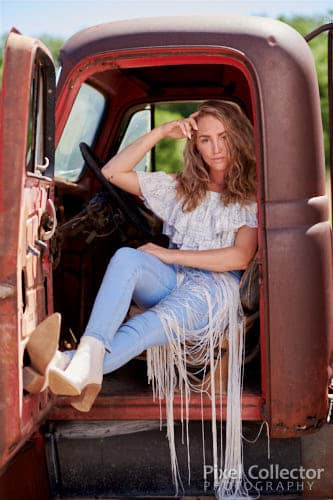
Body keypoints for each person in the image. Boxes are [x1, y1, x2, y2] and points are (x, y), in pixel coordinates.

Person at [27, 100, 258, 498]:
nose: (216, 148)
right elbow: (114, 172)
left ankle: (65, 367)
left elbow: (238, 257)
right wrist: (161, 132)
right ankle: (84, 365)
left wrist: (169, 254)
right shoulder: (179, 189)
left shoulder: (251, 194)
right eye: (205, 139)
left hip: (215, 291)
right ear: (195, 145)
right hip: (175, 280)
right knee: (127, 258)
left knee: (147, 324)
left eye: (223, 138)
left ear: (238, 138)